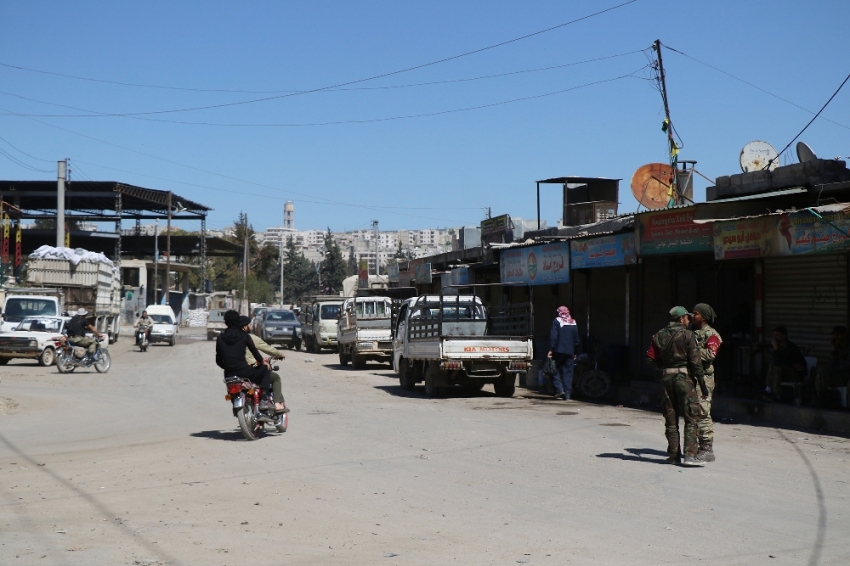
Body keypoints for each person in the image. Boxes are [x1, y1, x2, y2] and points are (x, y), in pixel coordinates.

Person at [646, 306, 708, 467]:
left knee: (670, 419)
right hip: (684, 380)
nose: (689, 320)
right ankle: (689, 455)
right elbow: (696, 362)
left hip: (667, 378)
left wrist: (663, 366)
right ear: (681, 319)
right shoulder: (688, 335)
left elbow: (650, 358)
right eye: (687, 318)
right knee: (691, 416)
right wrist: (702, 384)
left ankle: (673, 455)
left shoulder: (658, 335)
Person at [215, 310, 273, 408]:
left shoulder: (220, 338)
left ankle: (236, 404)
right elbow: (255, 353)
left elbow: (218, 360)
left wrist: (228, 367)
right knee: (265, 369)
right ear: (238, 321)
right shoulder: (244, 336)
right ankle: (263, 399)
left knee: (231, 391)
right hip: (245, 372)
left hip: (229, 374)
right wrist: (263, 362)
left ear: (225, 322)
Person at [691, 303, 722, 462]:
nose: (692, 316)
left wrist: (691, 353)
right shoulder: (694, 332)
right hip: (693, 378)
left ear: (703, 317)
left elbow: (710, 354)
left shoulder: (712, 334)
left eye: (695, 313)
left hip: (704, 379)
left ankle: (707, 448)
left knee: (703, 412)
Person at [240, 317, 288, 413]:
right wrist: (279, 354)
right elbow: (267, 348)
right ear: (244, 327)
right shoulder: (250, 338)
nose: (251, 327)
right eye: (249, 325)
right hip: (251, 371)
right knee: (275, 377)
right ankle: (274, 402)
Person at [764, 326, 807, 401]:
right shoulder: (779, 347)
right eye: (774, 335)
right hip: (782, 372)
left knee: (776, 365)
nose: (775, 337)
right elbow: (778, 361)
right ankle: (771, 391)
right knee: (773, 364)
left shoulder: (791, 347)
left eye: (777, 335)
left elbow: (784, 361)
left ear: (784, 336)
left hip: (794, 373)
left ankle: (774, 393)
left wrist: (775, 348)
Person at [547, 306, 580, 400]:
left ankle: (559, 389)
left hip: (558, 351)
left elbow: (553, 337)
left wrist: (550, 349)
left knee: (553, 369)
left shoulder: (556, 321)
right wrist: (575, 351)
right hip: (570, 352)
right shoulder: (573, 322)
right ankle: (568, 394)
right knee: (568, 373)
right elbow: (576, 339)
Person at [816, 326, 850, 405]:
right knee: (821, 371)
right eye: (834, 335)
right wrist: (833, 349)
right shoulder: (837, 346)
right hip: (838, 374)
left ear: (844, 335)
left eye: (838, 335)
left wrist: (835, 369)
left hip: (847, 376)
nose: (835, 337)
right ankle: (821, 398)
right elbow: (831, 364)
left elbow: (847, 365)